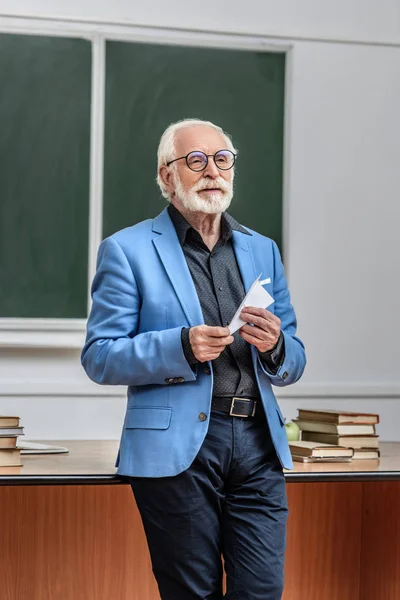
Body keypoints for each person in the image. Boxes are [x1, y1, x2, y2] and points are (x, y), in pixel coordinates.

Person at [81, 118, 306, 600]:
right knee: (192, 594)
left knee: (262, 591)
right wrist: (179, 347)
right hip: (178, 452)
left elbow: (295, 357)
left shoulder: (262, 249)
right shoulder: (127, 250)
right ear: (168, 177)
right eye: (196, 161)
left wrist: (276, 346)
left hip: (257, 445)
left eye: (222, 160)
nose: (212, 171)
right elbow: (100, 356)